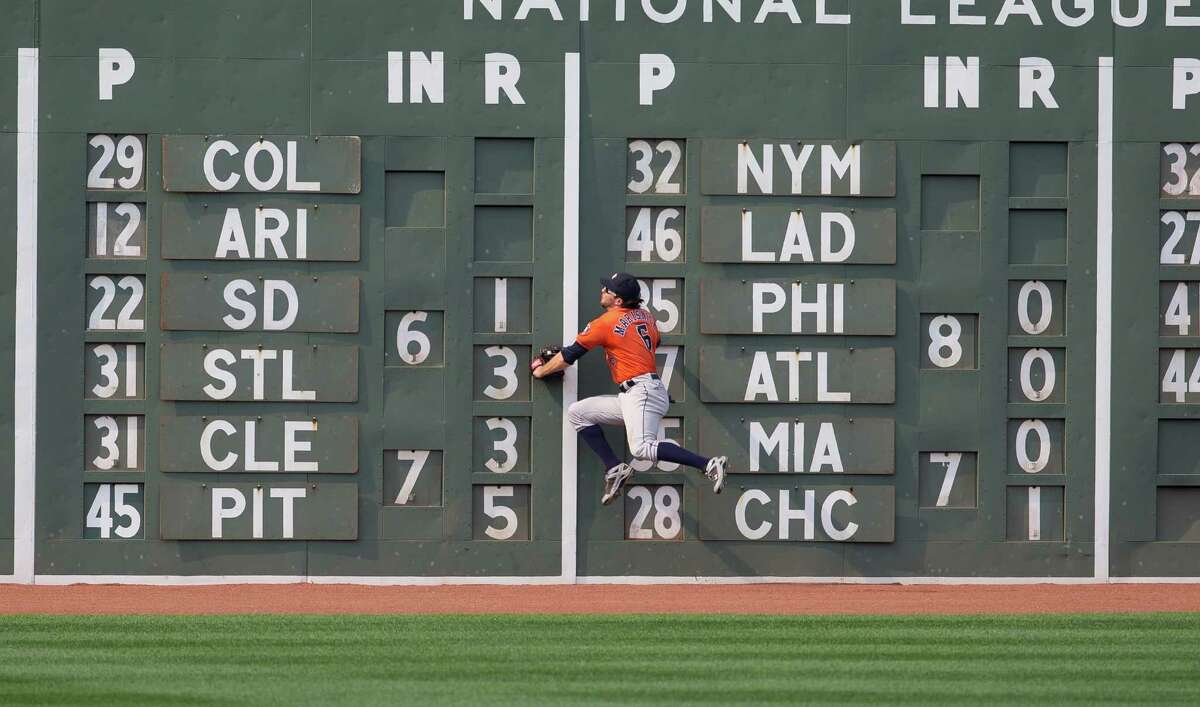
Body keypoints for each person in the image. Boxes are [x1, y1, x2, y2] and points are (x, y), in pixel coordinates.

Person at [532, 271, 727, 504]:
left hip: (641, 391)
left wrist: (542, 371)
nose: (603, 290)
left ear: (618, 301)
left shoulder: (606, 322)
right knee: (578, 413)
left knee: (642, 448)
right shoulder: (645, 316)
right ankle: (615, 468)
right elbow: (655, 341)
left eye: (608, 289)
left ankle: (707, 464)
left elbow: (570, 355)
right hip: (635, 393)